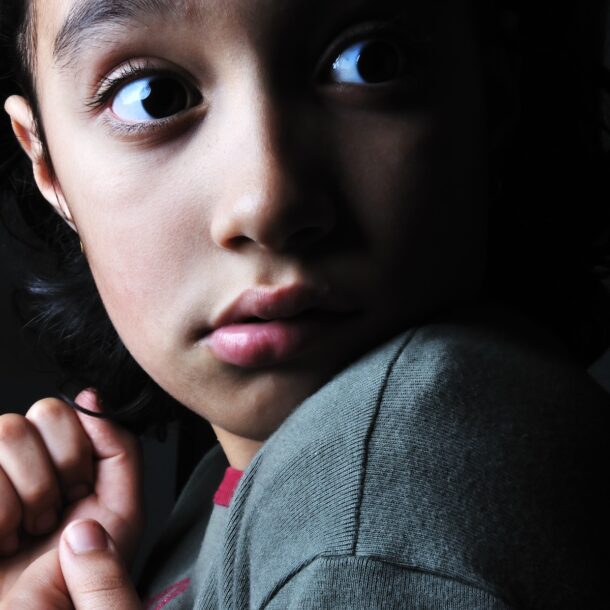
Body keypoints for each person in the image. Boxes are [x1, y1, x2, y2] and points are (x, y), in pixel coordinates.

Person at [0, 0, 608, 608]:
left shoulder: (376, 492)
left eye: (369, 63)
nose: (267, 201)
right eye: (152, 97)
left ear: (490, 100)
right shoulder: (246, 487)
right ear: (47, 167)